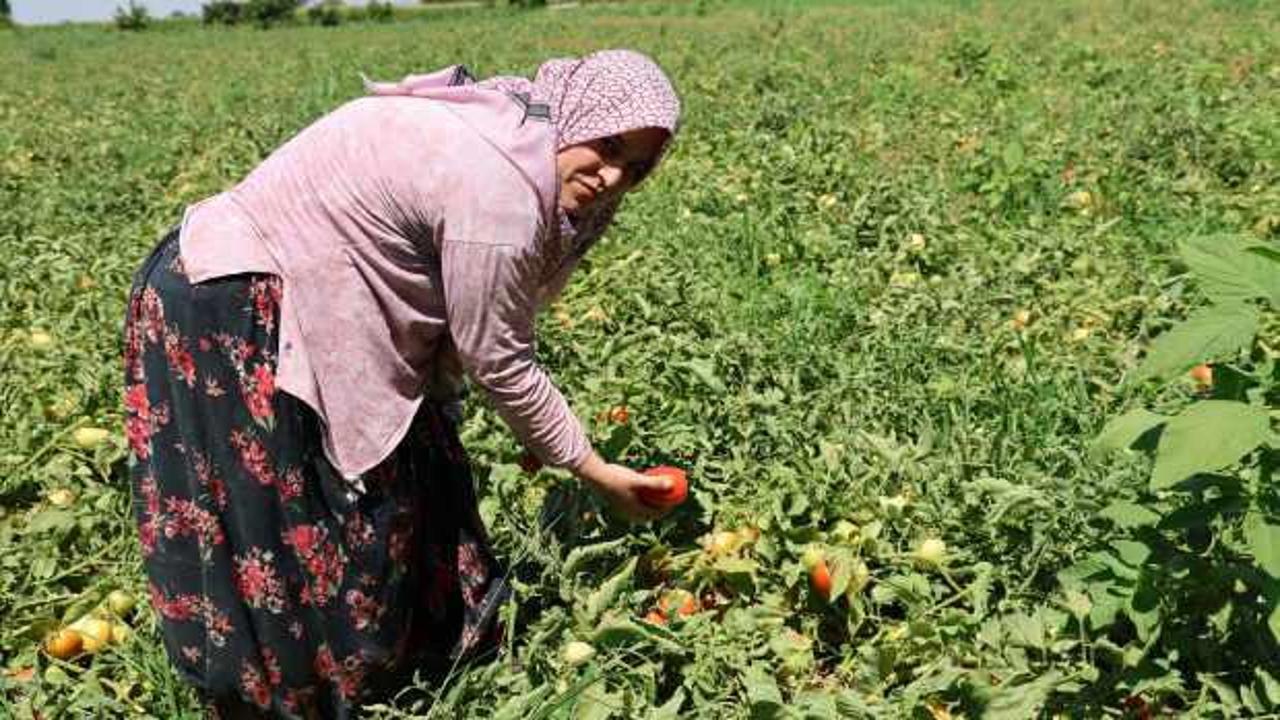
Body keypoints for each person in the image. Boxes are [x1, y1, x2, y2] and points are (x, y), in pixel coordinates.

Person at [121, 49, 681, 718]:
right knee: (277, 515)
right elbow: (499, 357)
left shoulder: (520, 130)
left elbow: (461, 315)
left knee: (410, 461)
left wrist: (535, 430)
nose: (613, 174)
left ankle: (415, 665)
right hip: (230, 298)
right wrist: (590, 468)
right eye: (608, 144)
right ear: (578, 113)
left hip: (281, 279)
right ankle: (292, 694)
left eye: (637, 168)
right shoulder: (500, 187)